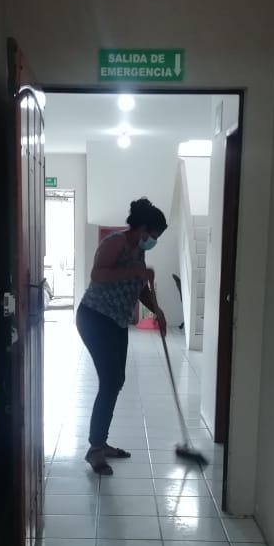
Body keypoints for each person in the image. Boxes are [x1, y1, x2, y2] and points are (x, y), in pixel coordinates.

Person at [77, 197, 168, 475]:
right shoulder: (115, 242)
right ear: (142, 228)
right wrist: (136, 271)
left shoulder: (139, 251)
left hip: (116, 321)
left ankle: (100, 443)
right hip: (95, 317)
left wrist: (158, 311)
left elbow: (138, 287)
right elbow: (98, 274)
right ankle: (95, 449)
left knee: (116, 381)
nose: (153, 241)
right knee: (111, 380)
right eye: (153, 235)